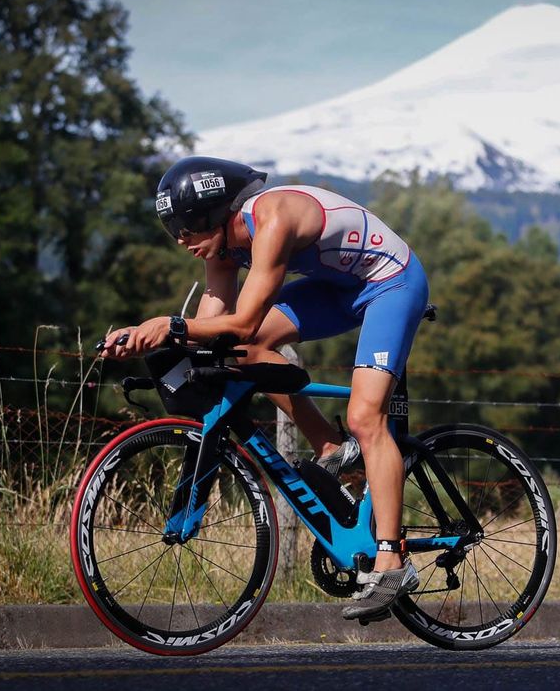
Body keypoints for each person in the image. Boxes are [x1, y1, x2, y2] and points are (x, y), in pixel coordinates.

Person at [99, 155, 429, 621]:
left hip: (390, 283)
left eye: (186, 228)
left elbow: (244, 318)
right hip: (338, 289)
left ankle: (392, 563)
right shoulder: (221, 249)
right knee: (243, 351)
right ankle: (331, 447)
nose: (180, 240)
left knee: (365, 416)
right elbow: (217, 331)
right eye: (172, 230)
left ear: (214, 212)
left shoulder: (271, 217)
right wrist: (143, 337)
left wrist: (169, 325)